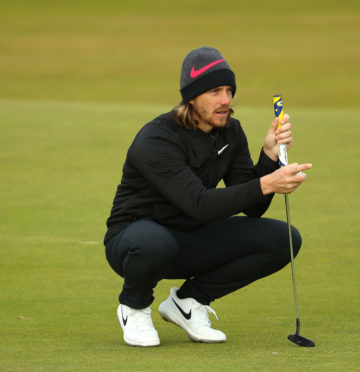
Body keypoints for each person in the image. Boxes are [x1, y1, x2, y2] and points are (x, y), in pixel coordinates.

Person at [104, 46, 312, 347]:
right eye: (215, 91)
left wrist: (267, 156)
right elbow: (198, 204)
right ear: (192, 96)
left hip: (189, 238)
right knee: (154, 242)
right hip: (134, 240)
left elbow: (253, 209)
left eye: (229, 90)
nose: (226, 99)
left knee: (284, 238)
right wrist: (268, 183)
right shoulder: (156, 138)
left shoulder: (230, 132)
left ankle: (189, 302)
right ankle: (133, 307)